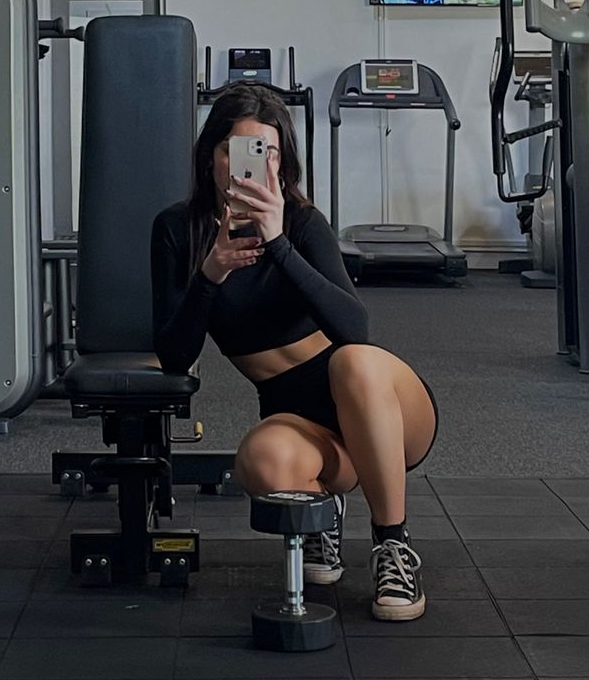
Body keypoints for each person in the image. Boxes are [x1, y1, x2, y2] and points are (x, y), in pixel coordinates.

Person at [151, 83, 439, 621]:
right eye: (233, 151)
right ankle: (323, 515)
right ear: (210, 157)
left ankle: (392, 545)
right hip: (303, 422)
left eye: (267, 153)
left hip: (383, 407)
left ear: (281, 164)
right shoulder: (176, 231)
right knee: (260, 461)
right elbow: (173, 356)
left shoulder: (305, 224)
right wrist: (209, 275)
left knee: (352, 358)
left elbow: (355, 326)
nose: (247, 167)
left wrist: (278, 242)